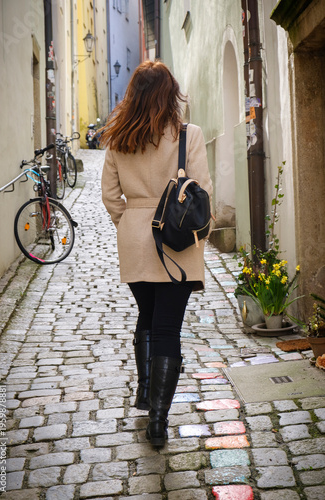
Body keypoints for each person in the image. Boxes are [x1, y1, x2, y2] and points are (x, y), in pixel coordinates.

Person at [101, 60, 213, 447]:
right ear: (171, 93)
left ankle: (146, 394)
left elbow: (110, 198)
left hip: (134, 238)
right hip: (176, 239)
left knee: (146, 315)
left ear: (133, 95)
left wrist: (131, 223)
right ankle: (158, 422)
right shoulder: (188, 135)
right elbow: (202, 190)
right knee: (167, 326)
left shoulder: (117, 139)